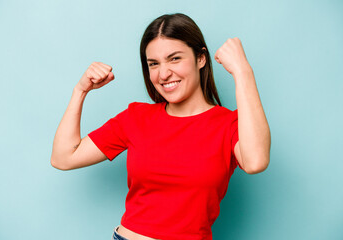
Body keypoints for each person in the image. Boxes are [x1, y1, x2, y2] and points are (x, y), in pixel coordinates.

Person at [50, 13, 271, 240]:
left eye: (175, 59)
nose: (163, 74)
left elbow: (256, 162)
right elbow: (64, 157)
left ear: (201, 58)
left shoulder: (229, 124)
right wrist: (80, 91)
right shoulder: (136, 117)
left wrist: (243, 72)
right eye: (153, 64)